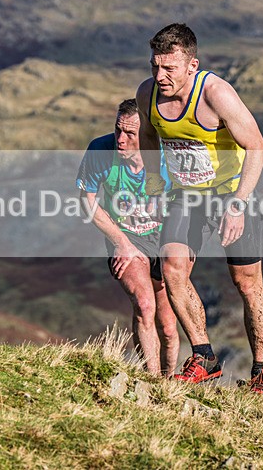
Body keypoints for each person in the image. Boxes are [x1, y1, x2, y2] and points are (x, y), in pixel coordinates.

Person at [136, 23, 263, 394]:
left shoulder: (216, 94)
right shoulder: (148, 94)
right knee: (171, 268)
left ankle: (261, 372)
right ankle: (204, 357)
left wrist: (238, 204)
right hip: (187, 196)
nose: (160, 76)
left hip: (233, 194)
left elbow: (257, 147)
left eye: (170, 68)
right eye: (155, 66)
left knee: (246, 283)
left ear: (192, 65)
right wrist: (153, 185)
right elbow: (147, 136)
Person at [76, 99, 180, 376]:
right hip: (126, 236)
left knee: (168, 326)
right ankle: (154, 382)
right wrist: (121, 243)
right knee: (145, 305)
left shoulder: (166, 155)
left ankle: (170, 385)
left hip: (165, 238)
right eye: (118, 130)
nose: (120, 140)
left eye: (130, 134)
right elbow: (86, 202)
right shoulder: (100, 150)